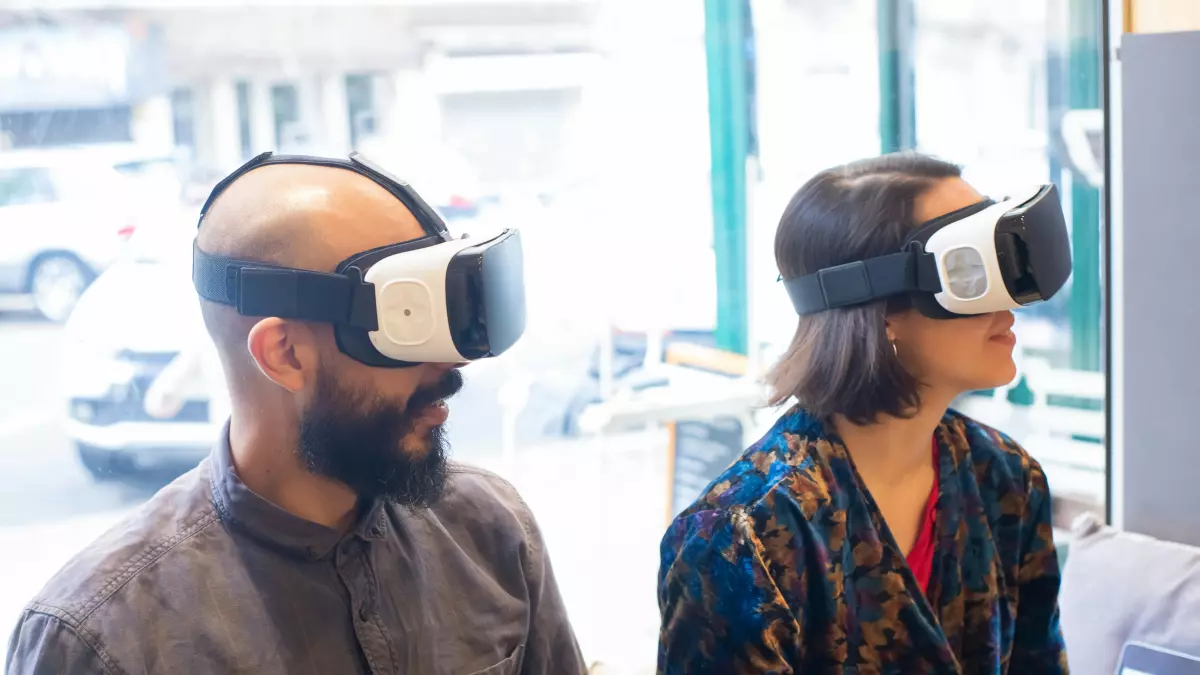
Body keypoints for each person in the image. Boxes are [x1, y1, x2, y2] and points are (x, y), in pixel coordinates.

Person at [6, 157, 585, 674]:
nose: (449, 367)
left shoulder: (490, 533)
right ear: (283, 355)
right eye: (405, 323)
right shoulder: (102, 640)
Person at [657, 154, 1068, 673]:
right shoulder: (741, 536)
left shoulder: (1007, 479)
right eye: (971, 271)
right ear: (885, 310)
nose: (1010, 304)